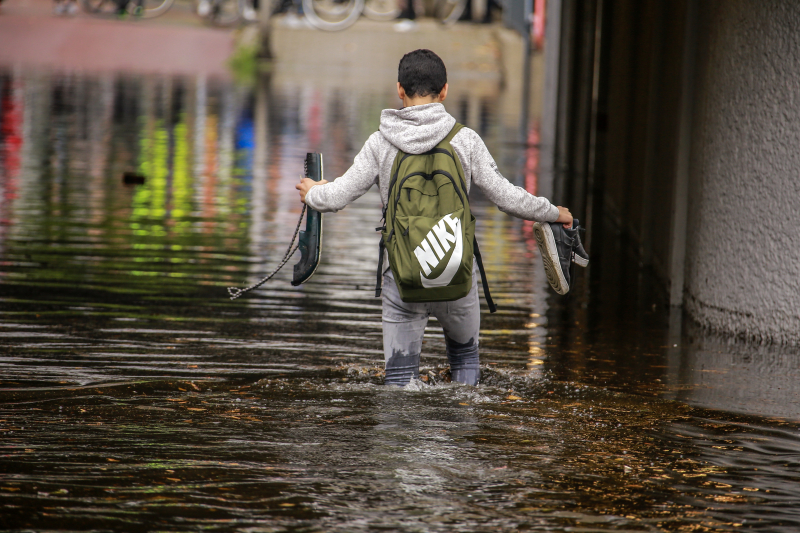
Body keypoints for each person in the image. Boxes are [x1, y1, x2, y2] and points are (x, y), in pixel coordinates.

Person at [296, 49, 575, 387]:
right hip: (456, 274)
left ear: (400, 90)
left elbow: (336, 197)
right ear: (444, 90)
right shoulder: (465, 140)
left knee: (399, 385)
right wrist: (553, 212)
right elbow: (507, 197)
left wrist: (312, 191)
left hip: (401, 278)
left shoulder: (380, 143)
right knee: (465, 370)